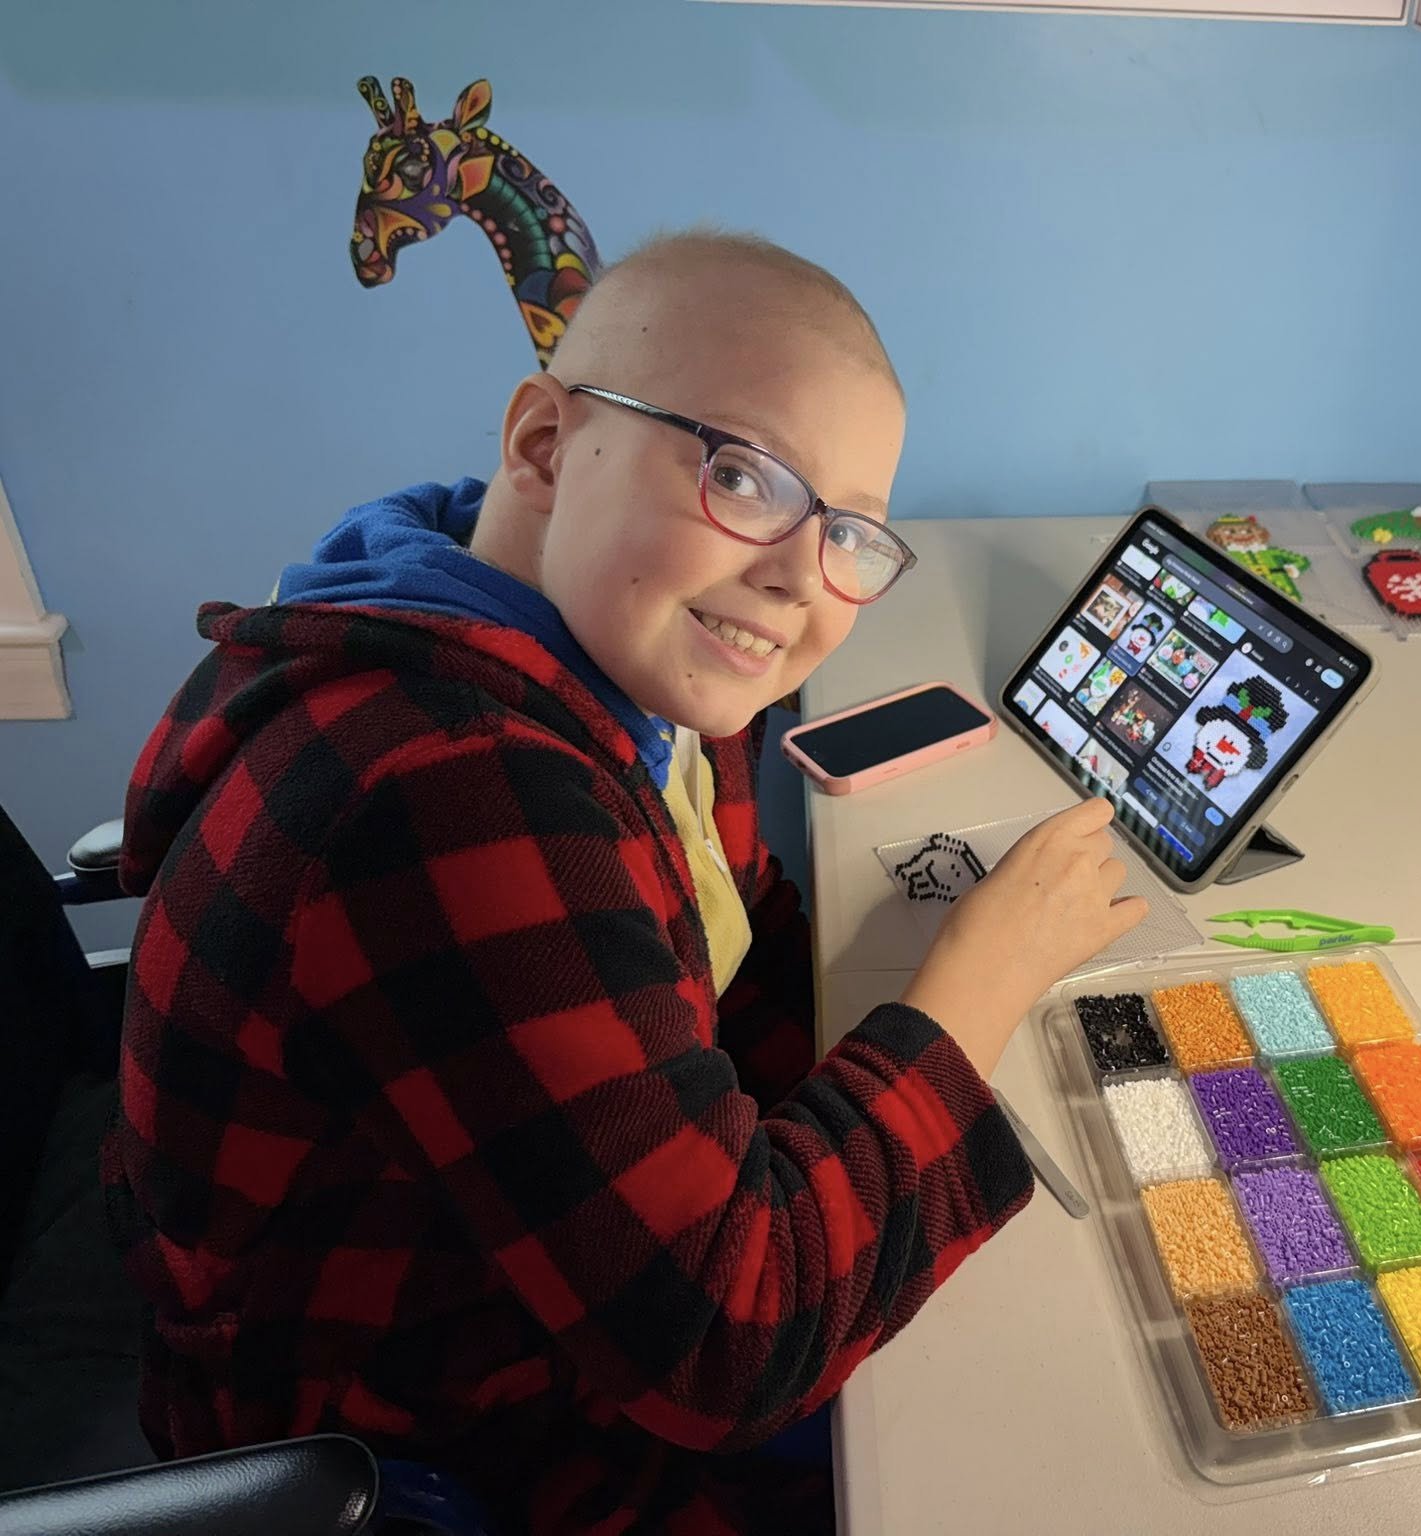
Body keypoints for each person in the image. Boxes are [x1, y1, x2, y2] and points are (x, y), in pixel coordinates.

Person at [104, 231, 1147, 1534]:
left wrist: (854, 1081)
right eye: (744, 476)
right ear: (544, 445)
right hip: (409, 1434)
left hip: (500, 1279)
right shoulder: (454, 784)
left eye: (853, 535)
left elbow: (729, 951)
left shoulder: (595, 642)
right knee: (1017, 1434)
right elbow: (728, 1348)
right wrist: (971, 992)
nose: (798, 582)